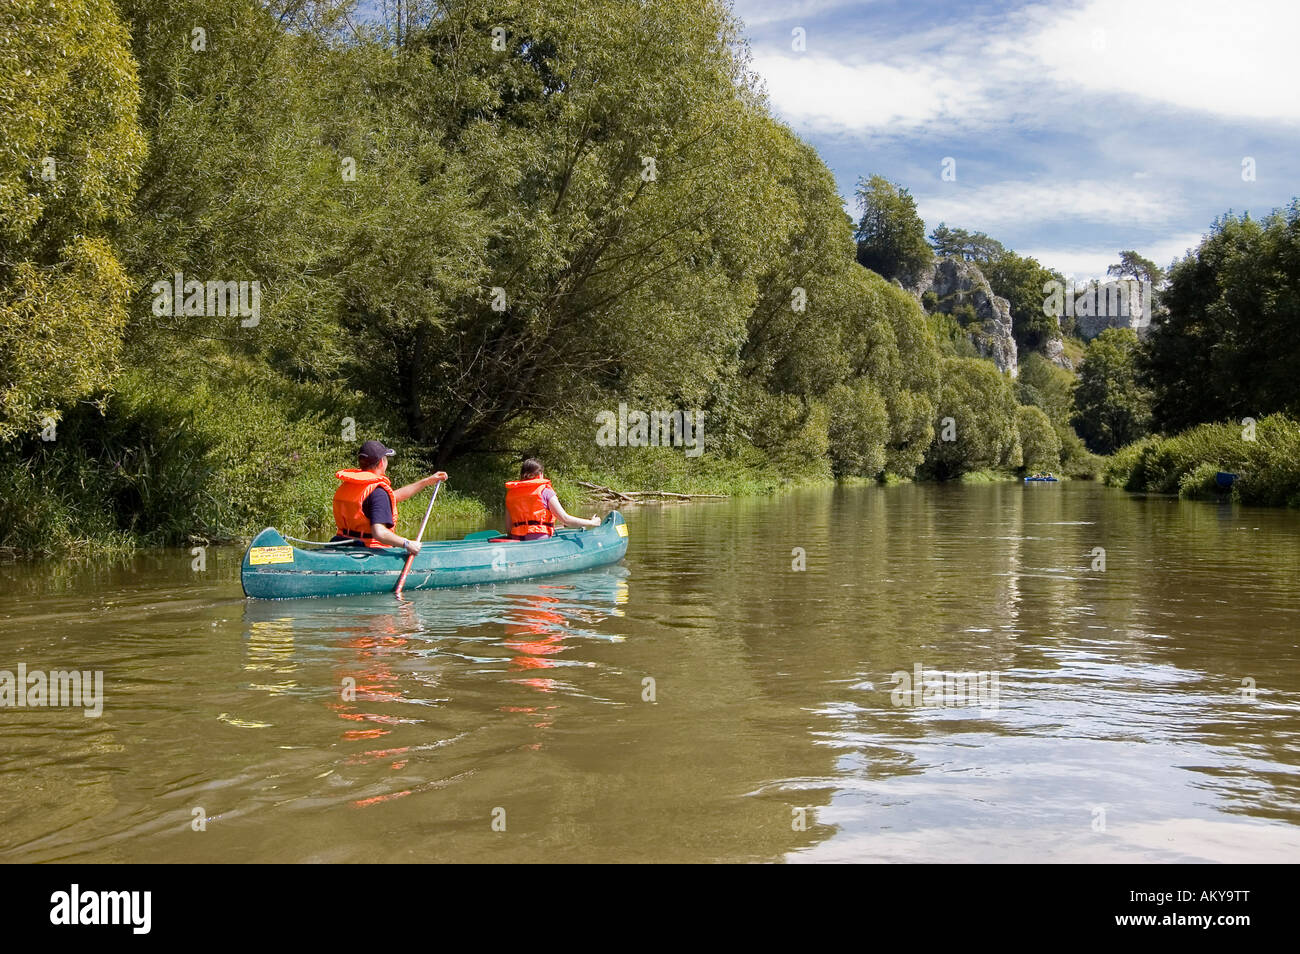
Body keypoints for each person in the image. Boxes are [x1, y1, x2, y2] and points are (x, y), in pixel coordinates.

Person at [332, 439, 446, 553]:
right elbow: (379, 532)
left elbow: (392, 497)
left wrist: (427, 481)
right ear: (382, 462)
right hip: (370, 552)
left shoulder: (352, 486)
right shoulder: (377, 492)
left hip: (342, 545)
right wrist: (407, 543)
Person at [504, 459, 599, 540]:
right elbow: (565, 519)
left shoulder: (511, 494)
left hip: (517, 538)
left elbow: (509, 529)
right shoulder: (545, 492)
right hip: (538, 539)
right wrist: (591, 522)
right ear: (540, 474)